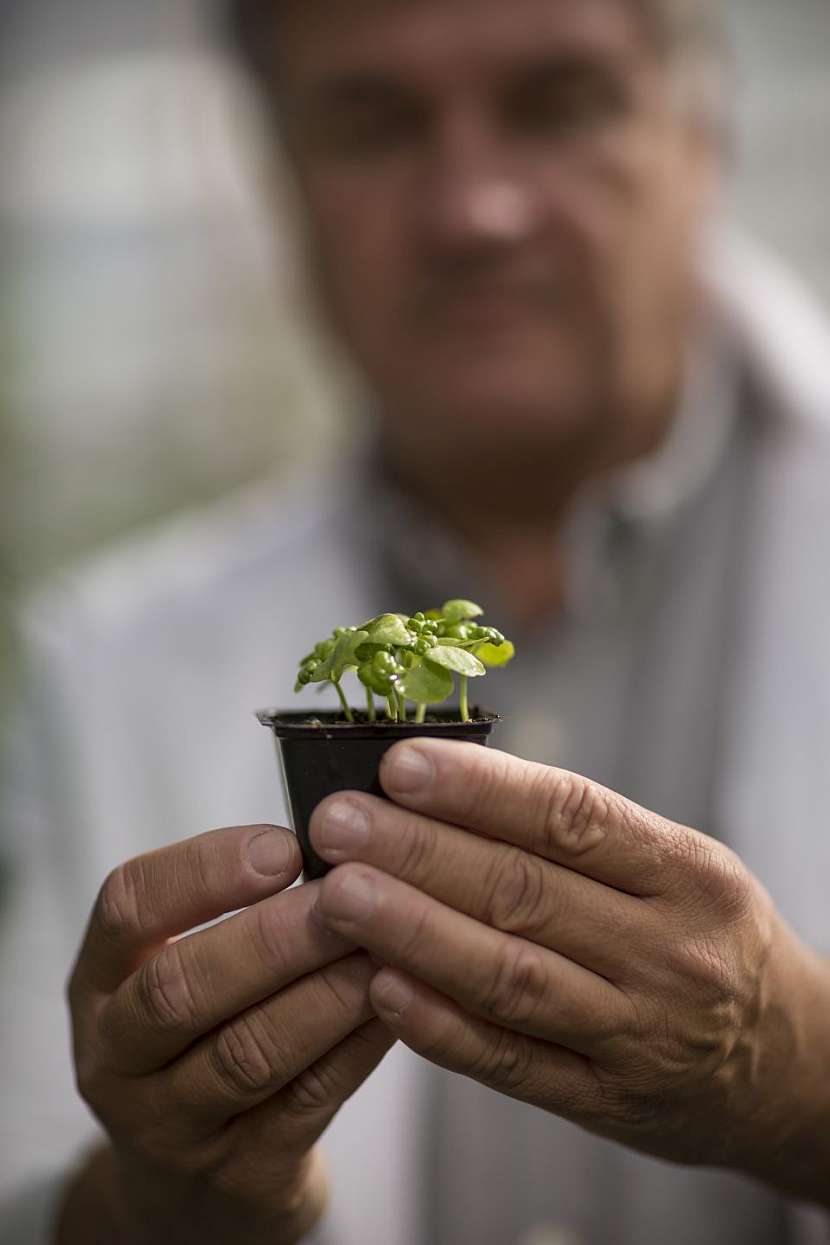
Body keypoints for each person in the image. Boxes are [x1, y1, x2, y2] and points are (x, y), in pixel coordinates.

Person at [3, 0, 830, 1242]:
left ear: (696, 129)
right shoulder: (105, 666)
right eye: (373, 126)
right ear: (279, 178)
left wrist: (798, 1082)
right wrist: (146, 1207)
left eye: (556, 102)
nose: (472, 211)